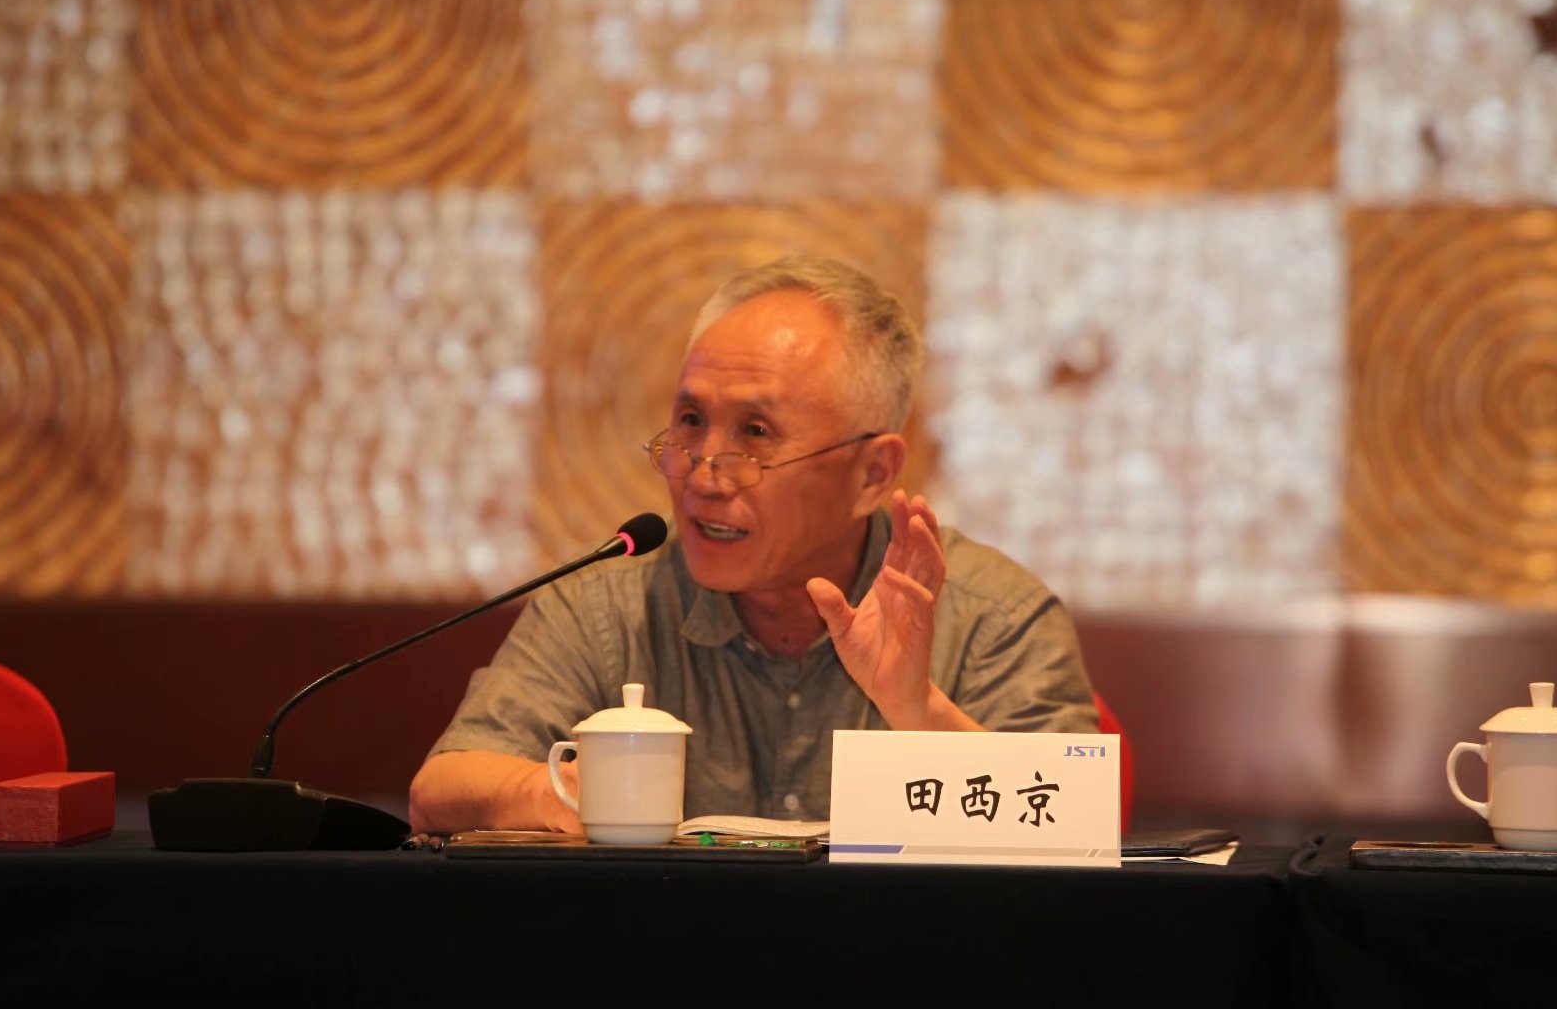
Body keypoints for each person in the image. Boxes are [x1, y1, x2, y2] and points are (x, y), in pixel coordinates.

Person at [408, 256, 1097, 834]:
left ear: (872, 473)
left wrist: (918, 710)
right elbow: (441, 788)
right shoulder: (607, 609)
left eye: (756, 434)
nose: (703, 474)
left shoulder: (995, 619)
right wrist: (561, 793)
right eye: (690, 420)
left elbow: (1073, 832)